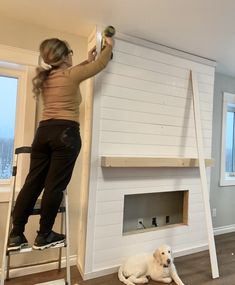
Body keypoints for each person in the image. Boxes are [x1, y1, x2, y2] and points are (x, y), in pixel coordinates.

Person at [8, 36, 113, 250]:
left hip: (43, 133)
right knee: (54, 186)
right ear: (65, 56)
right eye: (71, 52)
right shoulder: (71, 75)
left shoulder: (46, 78)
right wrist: (109, 46)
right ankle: (44, 234)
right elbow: (101, 64)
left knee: (32, 183)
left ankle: (16, 234)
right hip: (65, 134)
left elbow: (77, 71)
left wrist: (86, 60)